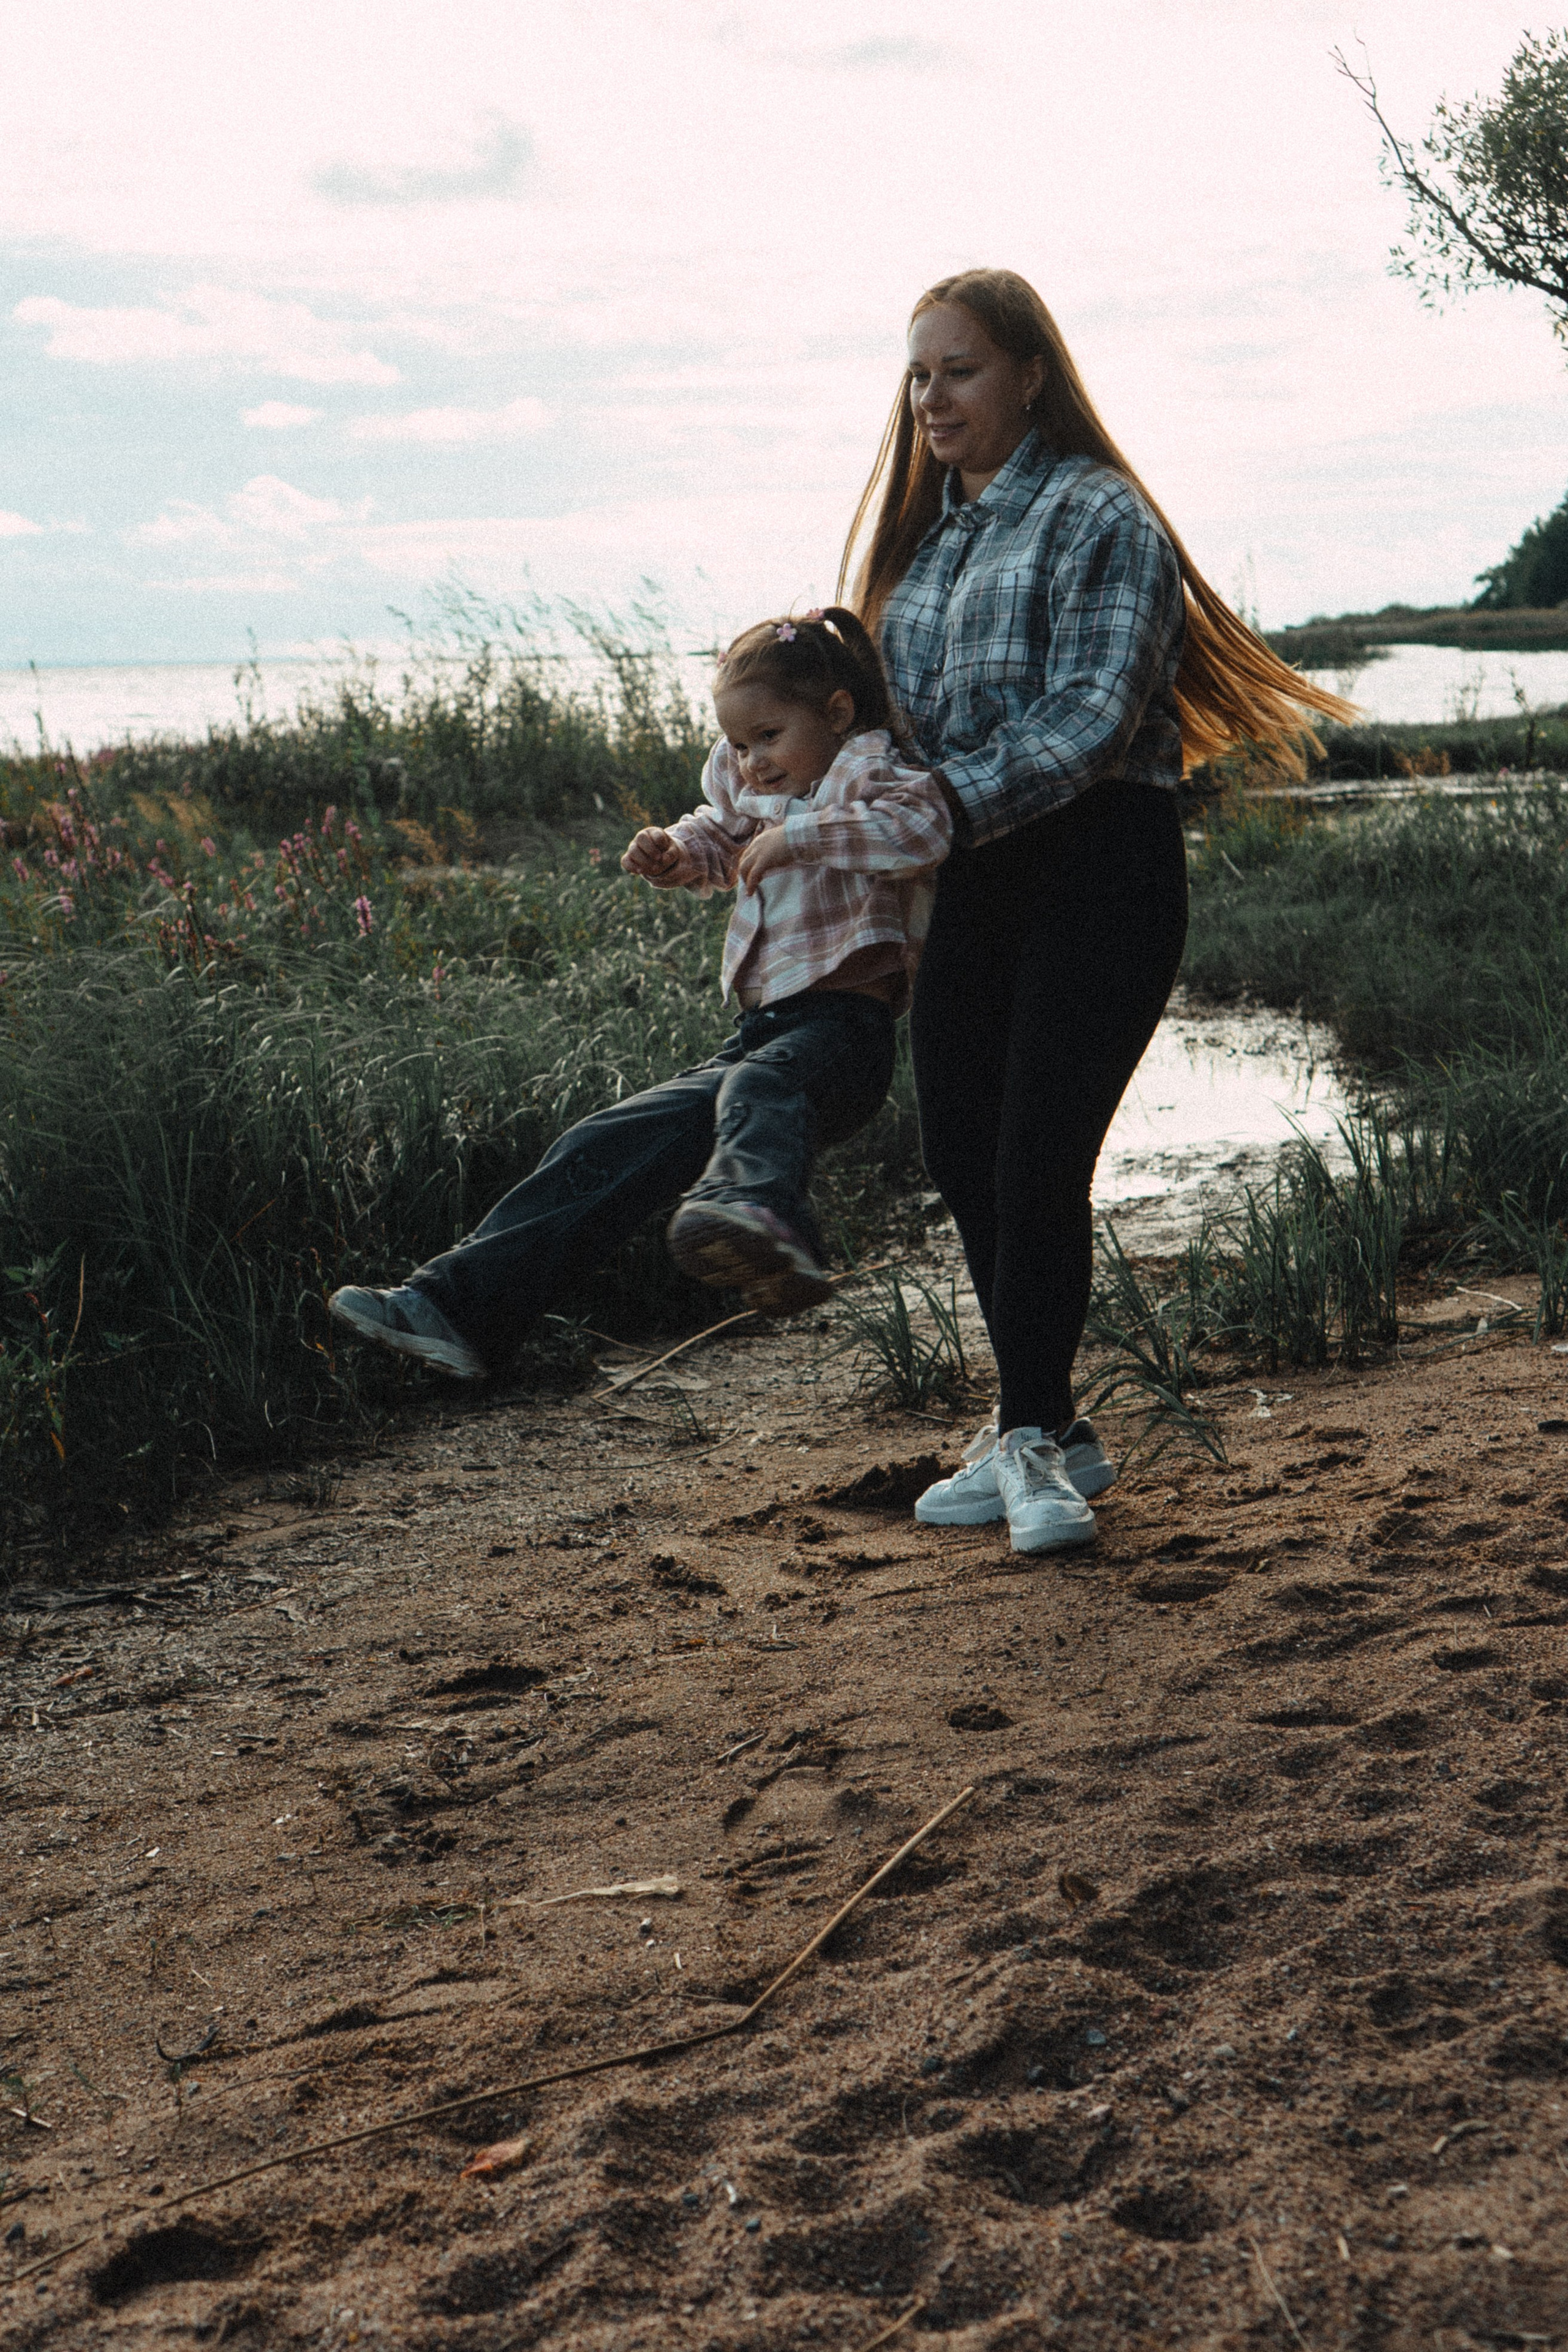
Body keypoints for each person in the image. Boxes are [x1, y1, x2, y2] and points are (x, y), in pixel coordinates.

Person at [840, 266, 1354, 1556]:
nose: (929, 397)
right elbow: (878, 741)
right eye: (915, 374)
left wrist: (929, 812)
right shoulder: (924, 544)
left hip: (1097, 871)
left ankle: (1025, 1438)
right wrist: (764, 822)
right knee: (961, 1151)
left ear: (1028, 375)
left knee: (1033, 1157)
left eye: (956, 370)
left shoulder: (1096, 516)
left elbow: (1084, 721)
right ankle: (1049, 1432)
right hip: (971, 878)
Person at [327, 608, 951, 1379]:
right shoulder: (753, 787)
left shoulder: (867, 771)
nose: (752, 761)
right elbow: (723, 840)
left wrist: (801, 837)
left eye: (768, 736)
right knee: (605, 1141)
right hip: (763, 1034)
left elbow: (922, 831)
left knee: (761, 1087)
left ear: (836, 712)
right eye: (737, 743)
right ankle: (453, 1309)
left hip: (843, 1039)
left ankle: (765, 1222)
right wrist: (675, 850)